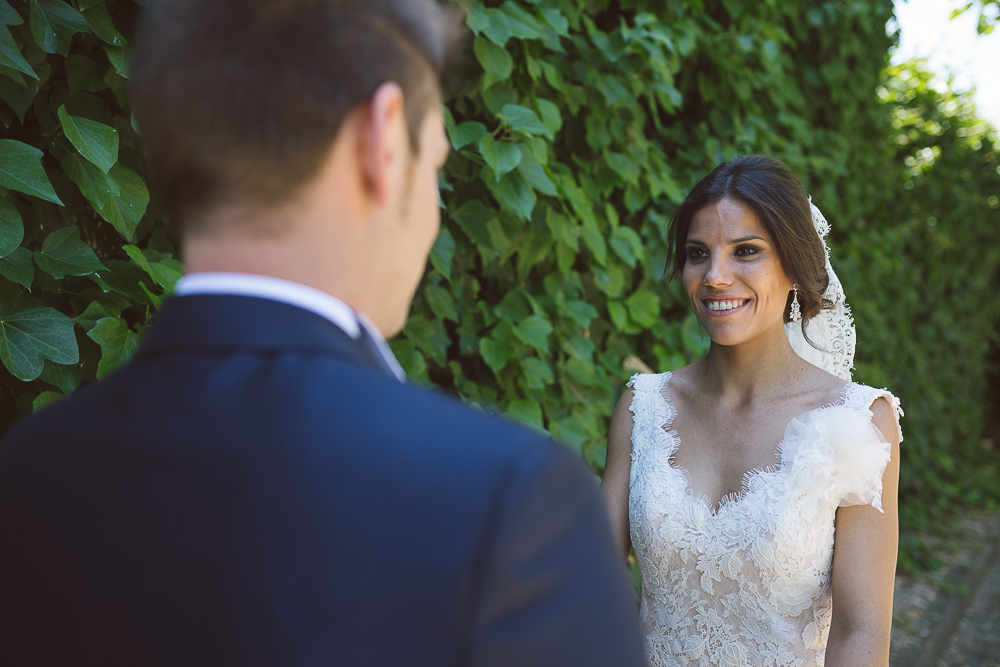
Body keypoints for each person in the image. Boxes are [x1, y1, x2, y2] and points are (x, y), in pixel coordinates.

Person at [0, 1, 646, 664]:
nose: (433, 213)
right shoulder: (512, 504)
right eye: (437, 167)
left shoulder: (24, 475)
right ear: (385, 140)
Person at [601, 155, 903, 667]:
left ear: (794, 266)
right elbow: (591, 591)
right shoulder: (643, 409)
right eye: (698, 254)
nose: (716, 276)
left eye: (746, 252)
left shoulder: (859, 423)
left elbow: (861, 633)